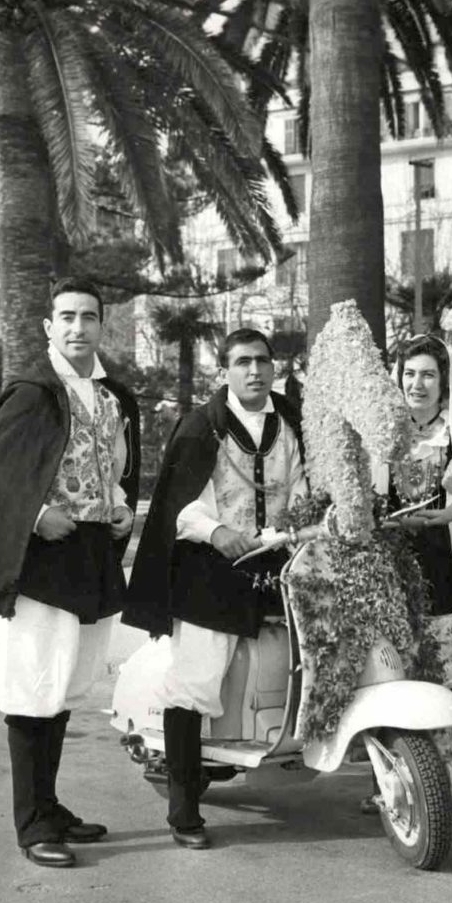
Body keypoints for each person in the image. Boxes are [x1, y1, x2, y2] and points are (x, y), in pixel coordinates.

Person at [0, 277, 140, 868]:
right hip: (40, 562)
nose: (78, 327)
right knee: (31, 682)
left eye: (89, 317)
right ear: (49, 326)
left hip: (90, 557)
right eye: (67, 317)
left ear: (102, 325)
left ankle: (50, 807)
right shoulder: (33, 394)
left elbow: (115, 469)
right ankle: (31, 824)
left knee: (65, 680)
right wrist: (36, 516)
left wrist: (120, 506)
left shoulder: (110, 398)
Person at [122, 328, 307, 850]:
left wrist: (295, 526)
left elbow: (301, 486)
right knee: (196, 682)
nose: (255, 371)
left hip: (279, 563)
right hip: (210, 569)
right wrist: (218, 532)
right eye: (243, 362)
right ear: (224, 370)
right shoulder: (201, 426)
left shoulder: (290, 423)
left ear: (274, 368)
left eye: (262, 361)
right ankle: (183, 807)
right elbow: (179, 504)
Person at [365, 334, 452, 812]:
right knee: (391, 669)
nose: (417, 384)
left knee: (440, 666)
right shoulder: (383, 433)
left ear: (443, 383)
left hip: (441, 560)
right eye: (409, 374)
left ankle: (441, 780)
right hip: (391, 565)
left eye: (428, 375)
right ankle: (387, 780)